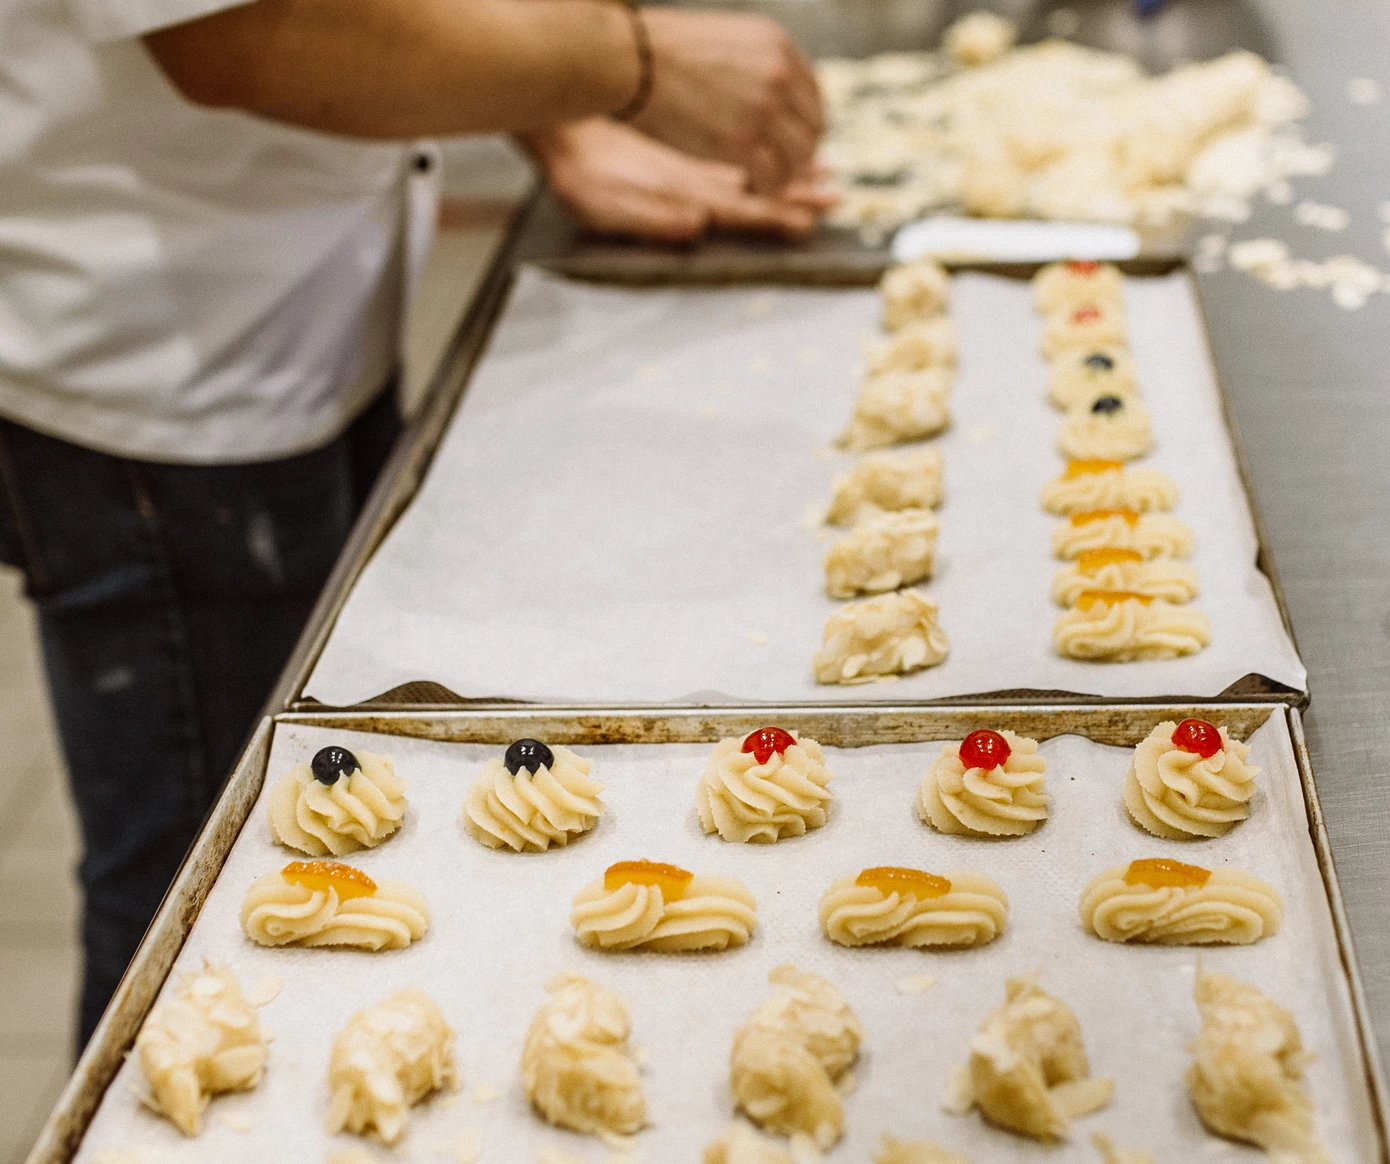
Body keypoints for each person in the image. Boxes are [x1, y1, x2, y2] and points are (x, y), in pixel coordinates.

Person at [0, 0, 827, 1045]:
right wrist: (630, 61)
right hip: (164, 380)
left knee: (316, 850)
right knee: (189, 913)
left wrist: (555, 117)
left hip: (303, 308)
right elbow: (234, 35)